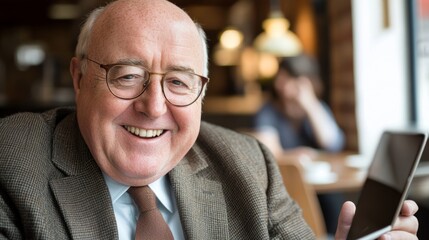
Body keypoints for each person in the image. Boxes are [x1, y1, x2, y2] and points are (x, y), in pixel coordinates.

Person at [0, 0, 419, 239]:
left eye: (179, 83)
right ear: (79, 78)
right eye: (127, 77)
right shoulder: (11, 164)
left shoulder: (248, 165)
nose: (154, 106)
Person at [253, 53, 346, 235]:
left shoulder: (316, 108)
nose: (281, 83)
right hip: (287, 188)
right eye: (280, 76)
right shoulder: (268, 111)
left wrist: (310, 104)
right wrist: (298, 155)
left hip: (322, 188)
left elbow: (333, 143)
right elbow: (270, 153)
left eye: (288, 77)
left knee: (335, 204)